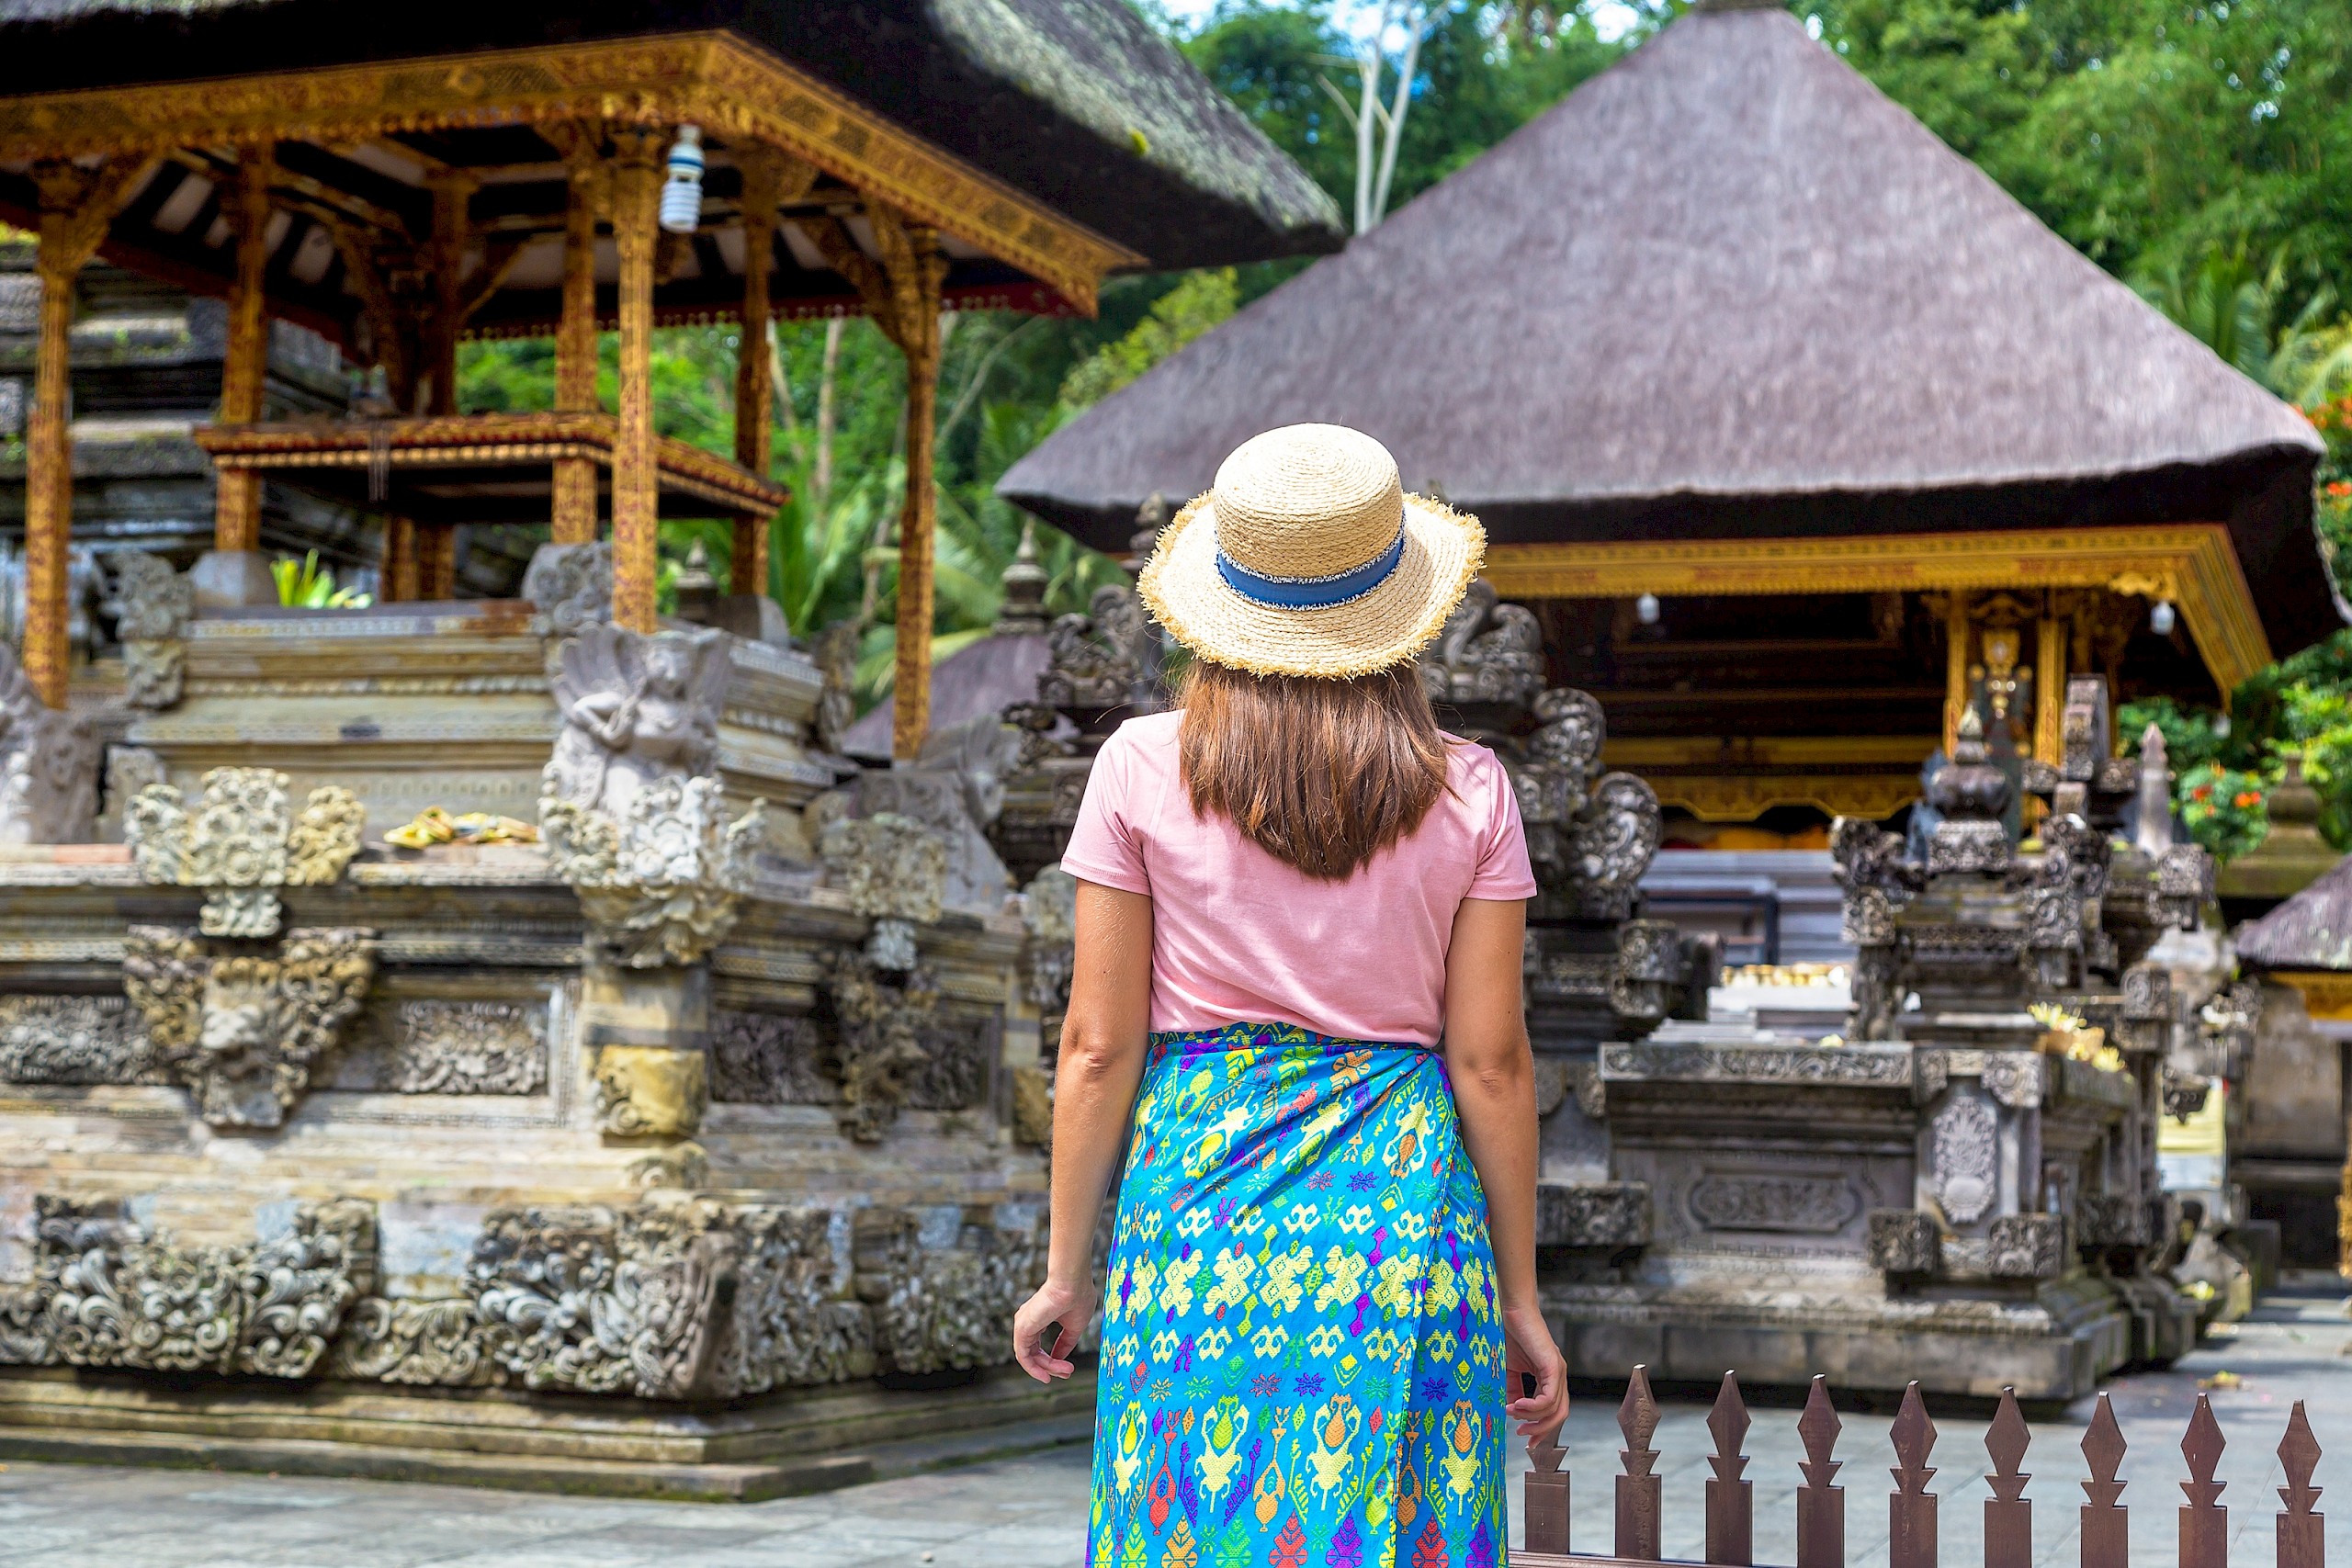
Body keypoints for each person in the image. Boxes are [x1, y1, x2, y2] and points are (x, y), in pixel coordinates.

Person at [1012, 423, 1568, 1568]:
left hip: (1195, 1222)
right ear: (1400, 610)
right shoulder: (1469, 788)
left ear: (1221, 596)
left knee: (1191, 1532)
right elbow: (1490, 1065)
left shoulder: (1136, 766)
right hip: (1402, 1233)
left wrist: (1070, 1270)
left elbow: (1096, 1048)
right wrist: (1520, 1297)